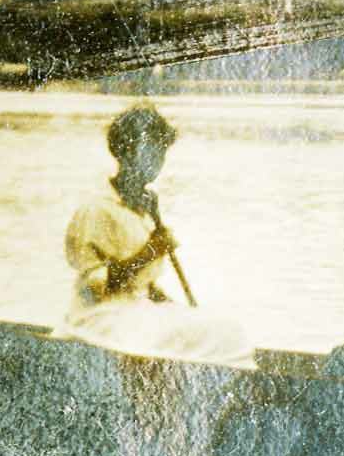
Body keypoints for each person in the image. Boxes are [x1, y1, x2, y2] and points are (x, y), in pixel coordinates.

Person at [60, 105, 251, 362]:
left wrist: (176, 309)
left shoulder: (141, 210)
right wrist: (152, 250)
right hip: (98, 319)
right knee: (218, 336)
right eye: (149, 152)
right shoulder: (95, 209)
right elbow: (97, 289)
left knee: (226, 329)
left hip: (135, 313)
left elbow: (142, 286)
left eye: (160, 154)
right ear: (125, 152)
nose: (156, 163)